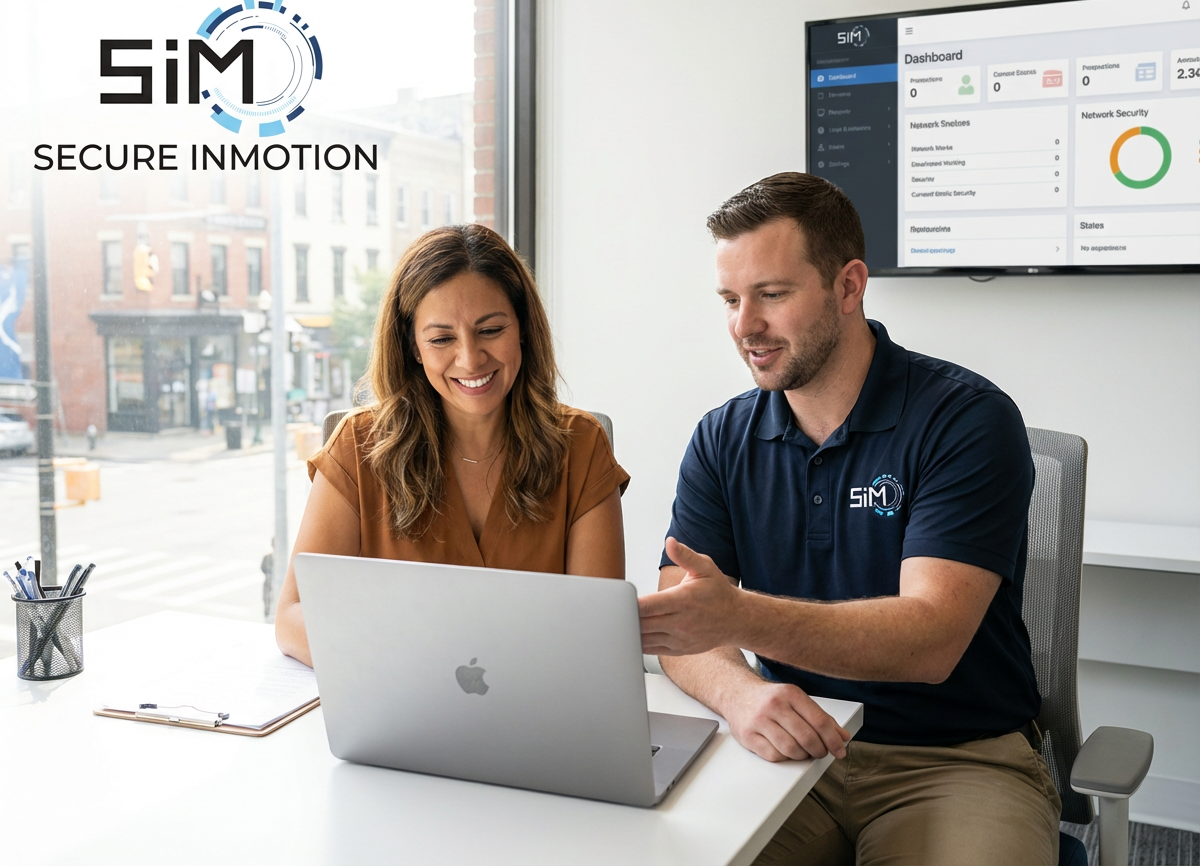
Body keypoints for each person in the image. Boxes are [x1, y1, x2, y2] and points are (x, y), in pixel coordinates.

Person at [637, 173, 1060, 865]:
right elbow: (683, 626)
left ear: (848, 286)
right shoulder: (722, 437)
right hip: (792, 749)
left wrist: (737, 616)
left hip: (953, 761)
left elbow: (930, 640)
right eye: (731, 300)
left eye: (772, 295)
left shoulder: (966, 420)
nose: (746, 326)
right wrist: (741, 694)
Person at [277, 225, 629, 666]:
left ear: (522, 328)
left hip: (538, 718)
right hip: (401, 706)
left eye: (491, 329)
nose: (470, 359)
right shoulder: (357, 445)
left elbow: (598, 633)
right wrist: (409, 665)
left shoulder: (581, 446)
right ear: (414, 349)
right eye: (442, 338)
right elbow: (293, 615)